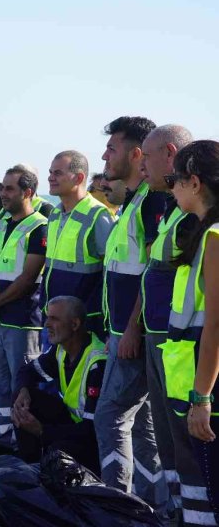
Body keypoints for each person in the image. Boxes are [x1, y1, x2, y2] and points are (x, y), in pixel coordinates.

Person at [94, 117, 169, 515]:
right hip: (121, 332)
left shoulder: (153, 201)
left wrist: (131, 329)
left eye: (113, 148)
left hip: (133, 334)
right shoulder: (133, 202)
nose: (106, 155)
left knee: (109, 415)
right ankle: (153, 502)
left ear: (136, 154)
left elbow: (156, 273)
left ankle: (115, 502)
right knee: (141, 425)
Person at [140, 125, 202, 524]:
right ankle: (179, 510)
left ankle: (195, 512)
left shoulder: (202, 226)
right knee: (168, 438)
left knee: (187, 441)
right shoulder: (171, 213)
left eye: (147, 156)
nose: (142, 164)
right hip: (162, 338)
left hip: (184, 345)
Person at [163, 140, 219, 524]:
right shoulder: (202, 233)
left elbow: (215, 322)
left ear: (194, 182)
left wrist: (202, 397)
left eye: (174, 179)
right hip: (189, 376)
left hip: (205, 381)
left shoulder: (214, 237)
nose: (171, 188)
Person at [0, 165, 46, 451]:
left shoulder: (39, 226)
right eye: (3, 188)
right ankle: (5, 438)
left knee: (22, 383)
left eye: (9, 189)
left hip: (22, 319)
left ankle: (24, 443)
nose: (3, 194)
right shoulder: (1, 224)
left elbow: (29, 278)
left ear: (27, 192)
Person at [12, 296, 105, 474]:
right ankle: (30, 468)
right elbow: (27, 372)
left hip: (92, 441)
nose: (46, 324)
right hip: (73, 426)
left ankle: (41, 474)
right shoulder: (61, 349)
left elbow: (92, 431)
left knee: (57, 451)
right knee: (22, 400)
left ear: (75, 325)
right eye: (47, 317)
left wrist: (42, 431)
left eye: (54, 319)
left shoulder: (97, 364)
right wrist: (23, 391)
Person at [39, 151, 114, 345]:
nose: (50, 177)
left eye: (57, 173)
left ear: (79, 178)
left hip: (81, 324)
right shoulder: (55, 214)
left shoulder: (98, 215)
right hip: (53, 318)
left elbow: (110, 273)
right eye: (50, 172)